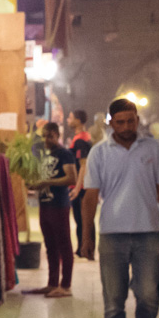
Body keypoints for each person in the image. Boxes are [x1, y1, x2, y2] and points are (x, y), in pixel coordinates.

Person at [78, 98, 159, 318]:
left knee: (148, 294)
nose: (126, 126)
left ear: (137, 119)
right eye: (120, 122)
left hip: (147, 234)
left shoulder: (152, 148)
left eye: (130, 120)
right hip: (112, 235)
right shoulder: (99, 153)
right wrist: (86, 237)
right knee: (113, 299)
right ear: (111, 123)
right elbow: (90, 197)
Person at [33, 119, 80, 297]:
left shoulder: (65, 154)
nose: (46, 140)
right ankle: (52, 283)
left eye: (50, 136)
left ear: (57, 136)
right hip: (44, 204)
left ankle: (65, 285)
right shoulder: (43, 154)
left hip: (59, 205)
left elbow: (71, 179)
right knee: (50, 245)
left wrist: (46, 182)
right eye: (44, 136)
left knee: (64, 245)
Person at [67, 110, 97, 260]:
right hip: (83, 185)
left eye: (70, 117)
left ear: (78, 121)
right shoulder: (84, 138)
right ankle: (83, 248)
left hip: (82, 187)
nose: (68, 120)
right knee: (84, 220)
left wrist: (77, 189)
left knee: (83, 219)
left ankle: (85, 249)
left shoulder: (80, 140)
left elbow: (83, 166)